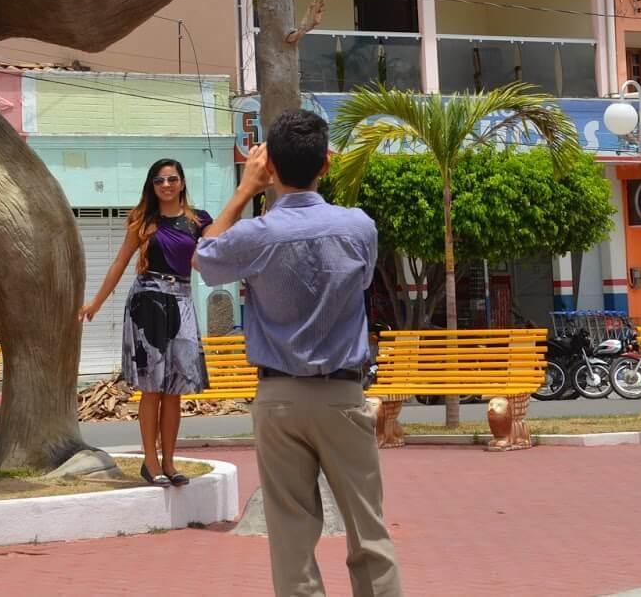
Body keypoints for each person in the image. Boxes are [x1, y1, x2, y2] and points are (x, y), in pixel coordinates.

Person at [195, 112, 402, 597]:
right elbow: (365, 279)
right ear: (325, 164)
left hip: (279, 397)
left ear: (269, 167)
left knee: (290, 536)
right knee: (368, 529)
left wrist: (246, 190)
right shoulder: (359, 227)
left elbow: (204, 258)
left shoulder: (257, 235)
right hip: (343, 393)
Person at [79, 158, 210, 487]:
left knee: (175, 390)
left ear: (182, 183)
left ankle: (169, 460)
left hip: (181, 300)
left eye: (172, 179)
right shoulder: (143, 221)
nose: (166, 185)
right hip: (147, 300)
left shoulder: (199, 221)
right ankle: (150, 463)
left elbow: (220, 246)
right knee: (152, 388)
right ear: (152, 186)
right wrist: (96, 302)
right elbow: (121, 263)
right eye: (159, 180)